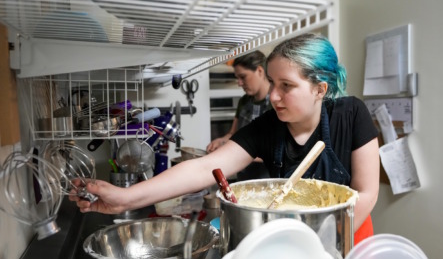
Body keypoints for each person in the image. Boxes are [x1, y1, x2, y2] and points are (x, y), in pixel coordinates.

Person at [70, 33, 379, 244]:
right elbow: (204, 168)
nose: (273, 96)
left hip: (348, 238)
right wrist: (125, 197)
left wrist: (320, 248)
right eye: (272, 83)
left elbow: (366, 194)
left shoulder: (351, 115)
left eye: (286, 85)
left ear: (319, 89)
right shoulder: (267, 127)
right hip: (290, 240)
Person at [207, 50, 272, 181]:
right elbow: (233, 134)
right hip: (244, 177)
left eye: (243, 77)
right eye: (237, 78)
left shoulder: (277, 102)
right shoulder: (244, 101)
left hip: (269, 178)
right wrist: (221, 141)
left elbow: (276, 150)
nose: (239, 83)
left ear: (260, 71)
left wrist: (237, 153)